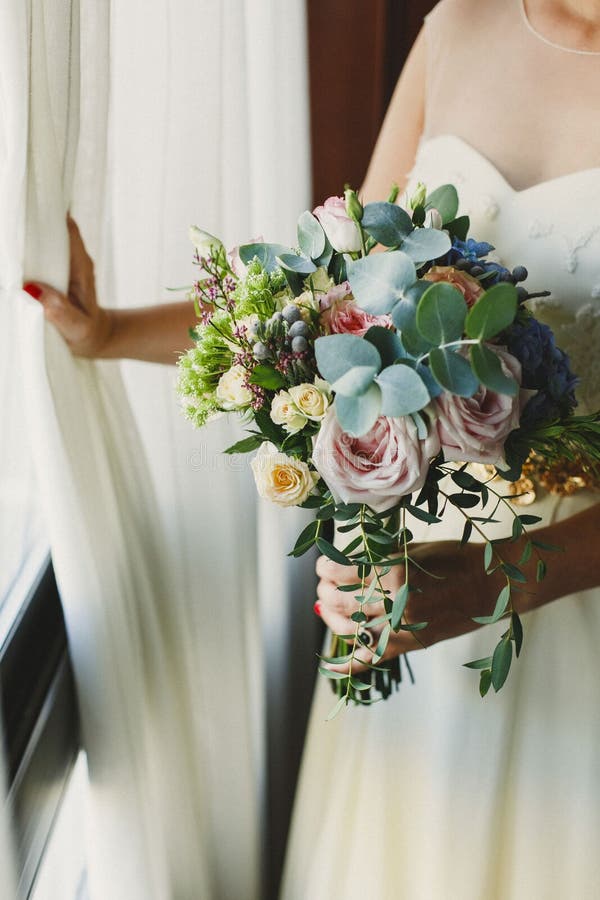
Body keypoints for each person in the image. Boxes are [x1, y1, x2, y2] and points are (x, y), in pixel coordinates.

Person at [25, 0, 600, 896]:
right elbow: (327, 304)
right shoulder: (461, 23)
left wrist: (488, 585)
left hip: (563, 603)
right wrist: (109, 332)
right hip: (395, 581)